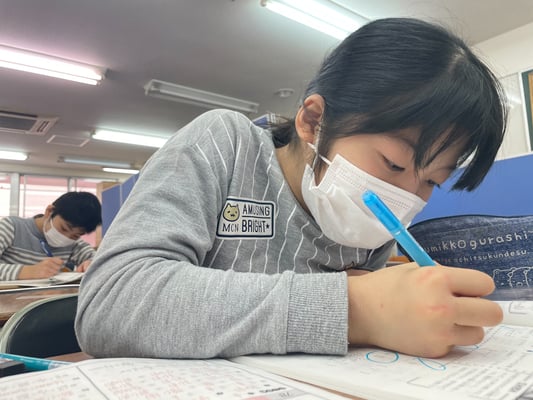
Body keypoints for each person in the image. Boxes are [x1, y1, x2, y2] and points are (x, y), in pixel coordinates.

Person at [76, 18, 507, 359]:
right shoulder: (225, 145)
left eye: (432, 181)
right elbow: (110, 304)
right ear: (314, 122)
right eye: (393, 163)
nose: (406, 197)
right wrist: (354, 309)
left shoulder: (370, 227)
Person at [0, 191, 102, 280]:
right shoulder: (11, 227)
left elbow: (98, 260)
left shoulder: (74, 242)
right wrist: (27, 271)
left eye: (76, 235)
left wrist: (90, 264)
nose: (66, 237)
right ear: (49, 212)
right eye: (63, 228)